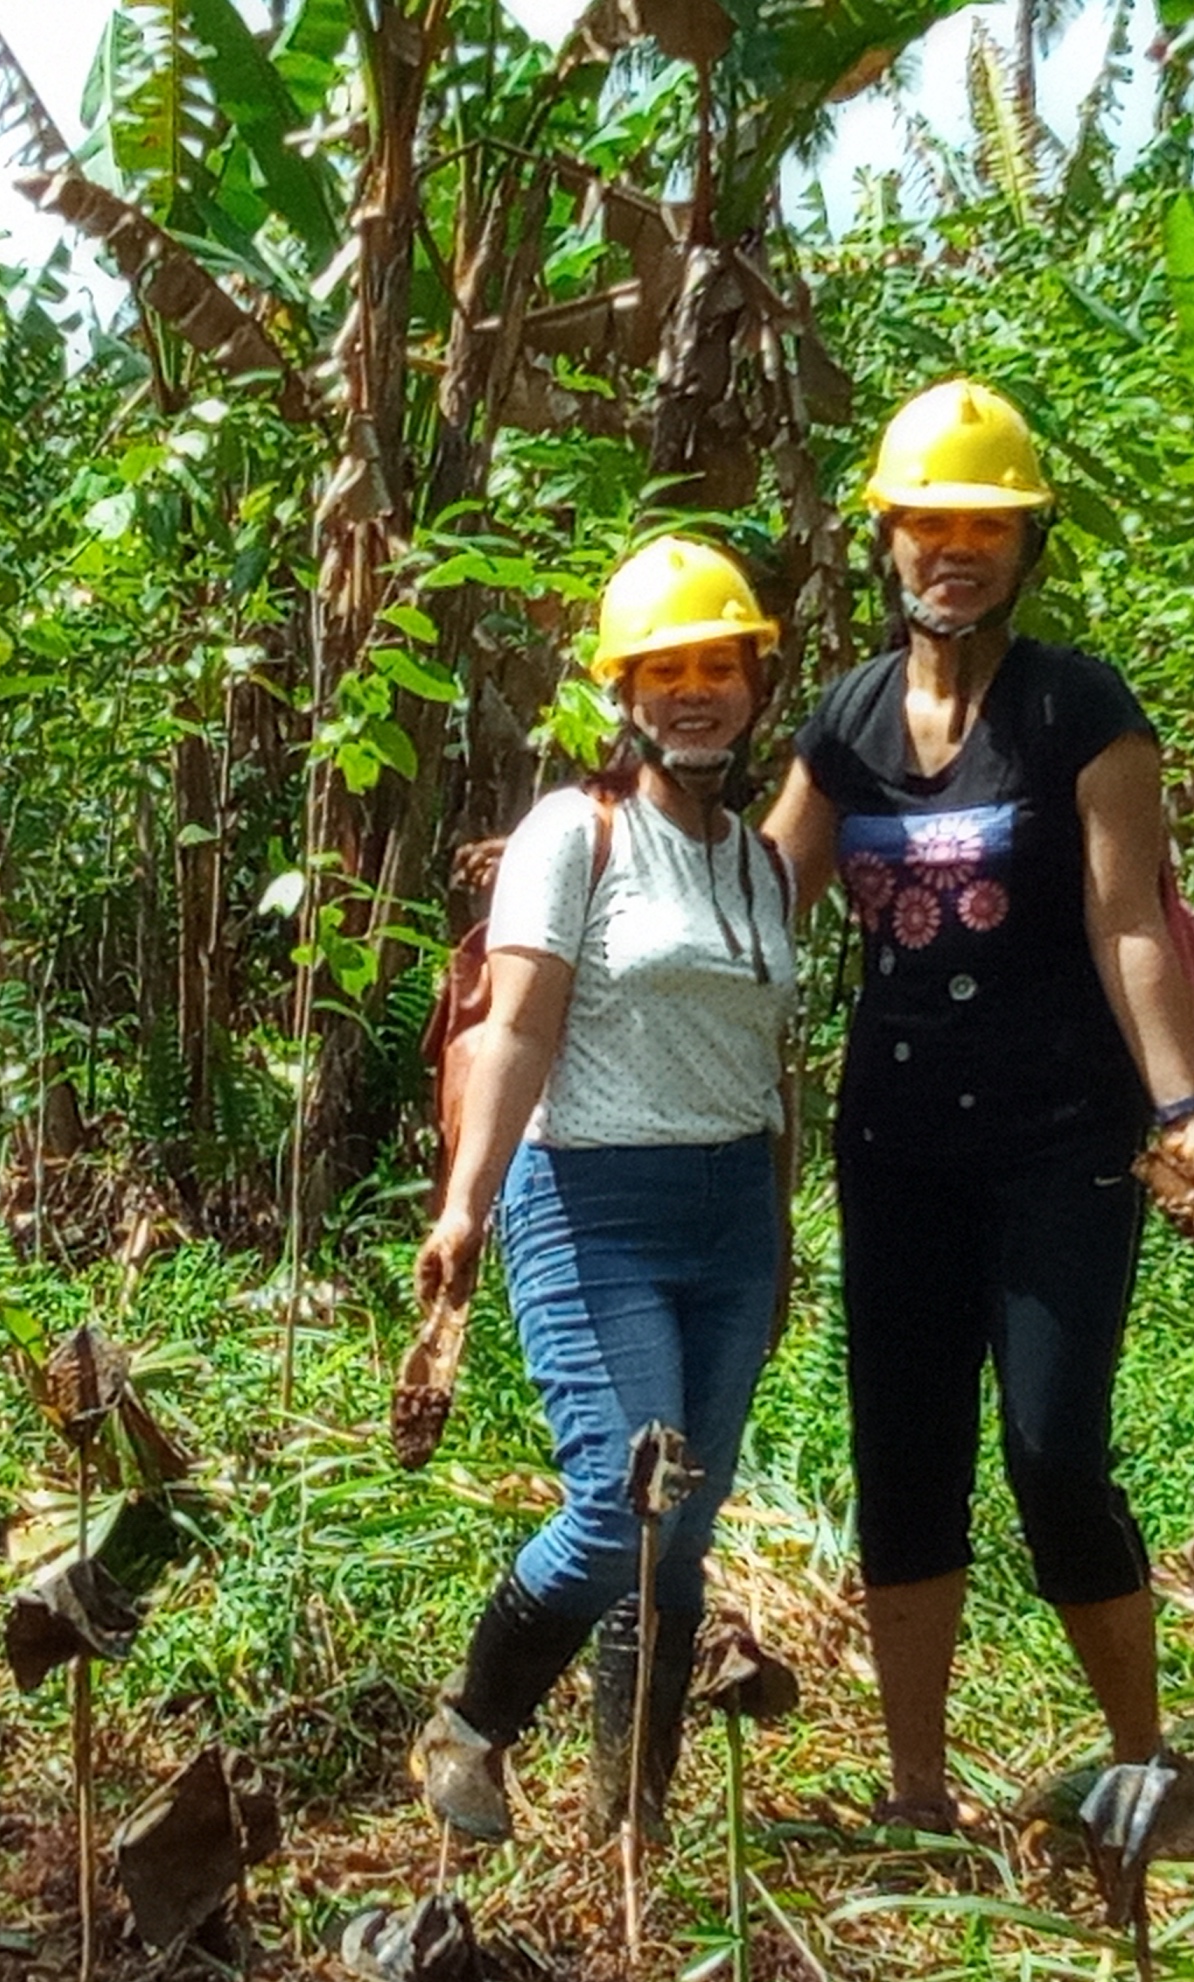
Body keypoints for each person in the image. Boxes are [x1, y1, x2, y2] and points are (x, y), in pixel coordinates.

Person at [763, 380, 1194, 1830]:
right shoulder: (844, 723)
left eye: (986, 526)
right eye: (928, 524)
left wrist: (1183, 1104)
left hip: (1056, 1140)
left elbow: (1127, 922)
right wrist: (598, 863)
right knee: (903, 1455)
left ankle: (1147, 1772)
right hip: (897, 1146)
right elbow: (757, 907)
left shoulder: (1080, 711)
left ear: (1028, 545)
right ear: (886, 538)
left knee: (1052, 1449)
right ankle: (917, 1797)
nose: (953, 550)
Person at [409, 537, 798, 1847]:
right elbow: (515, 1031)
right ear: (624, 690)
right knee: (624, 1504)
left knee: (682, 1529)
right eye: (665, 671)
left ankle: (631, 1820)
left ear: (754, 683)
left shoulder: (758, 862)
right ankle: (469, 1729)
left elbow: (770, 1067)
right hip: (591, 1199)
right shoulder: (572, 836)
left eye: (717, 668)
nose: (694, 694)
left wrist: (777, 1232)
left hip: (731, 1214)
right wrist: (465, 1206)